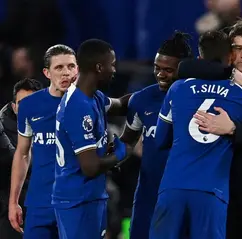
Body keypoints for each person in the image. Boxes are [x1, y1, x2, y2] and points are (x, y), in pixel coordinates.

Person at [149, 30, 242, 239]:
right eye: (238, 49)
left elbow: (160, 140)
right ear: (230, 56)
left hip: (173, 187)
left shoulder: (178, 88)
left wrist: (233, 128)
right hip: (213, 192)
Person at [120, 31, 193, 239]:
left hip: (186, 194)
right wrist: (109, 159)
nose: (161, 74)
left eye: (168, 70)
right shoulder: (141, 100)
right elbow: (128, 141)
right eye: (157, 68)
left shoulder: (200, 99)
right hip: (148, 195)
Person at [53, 39, 128, 239]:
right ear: (98, 67)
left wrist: (154, 94)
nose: (114, 69)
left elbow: (121, 104)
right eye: (111, 64)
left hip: (89, 197)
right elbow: (90, 167)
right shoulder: (78, 107)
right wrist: (120, 154)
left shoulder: (93, 97)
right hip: (77, 202)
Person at [8, 45, 78, 239]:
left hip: (77, 202)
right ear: (47, 72)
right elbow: (22, 153)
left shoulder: (91, 102)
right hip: (40, 203)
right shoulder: (30, 106)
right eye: (59, 67)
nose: (66, 73)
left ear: (78, 69)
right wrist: (13, 202)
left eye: (71, 66)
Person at [0, 78, 42, 239]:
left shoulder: (54, 123)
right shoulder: (2, 127)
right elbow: (15, 162)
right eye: (22, 103)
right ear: (14, 107)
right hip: (9, 204)